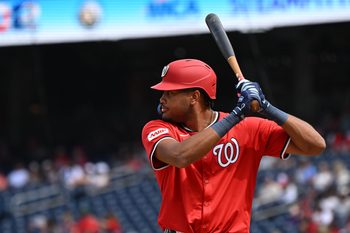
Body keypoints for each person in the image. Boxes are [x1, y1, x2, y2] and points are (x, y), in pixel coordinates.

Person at [141, 59, 326, 233]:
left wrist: (266, 107)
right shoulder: (157, 128)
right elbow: (180, 156)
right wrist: (237, 115)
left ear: (194, 97)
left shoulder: (248, 129)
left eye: (170, 93)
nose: (162, 99)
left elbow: (315, 145)